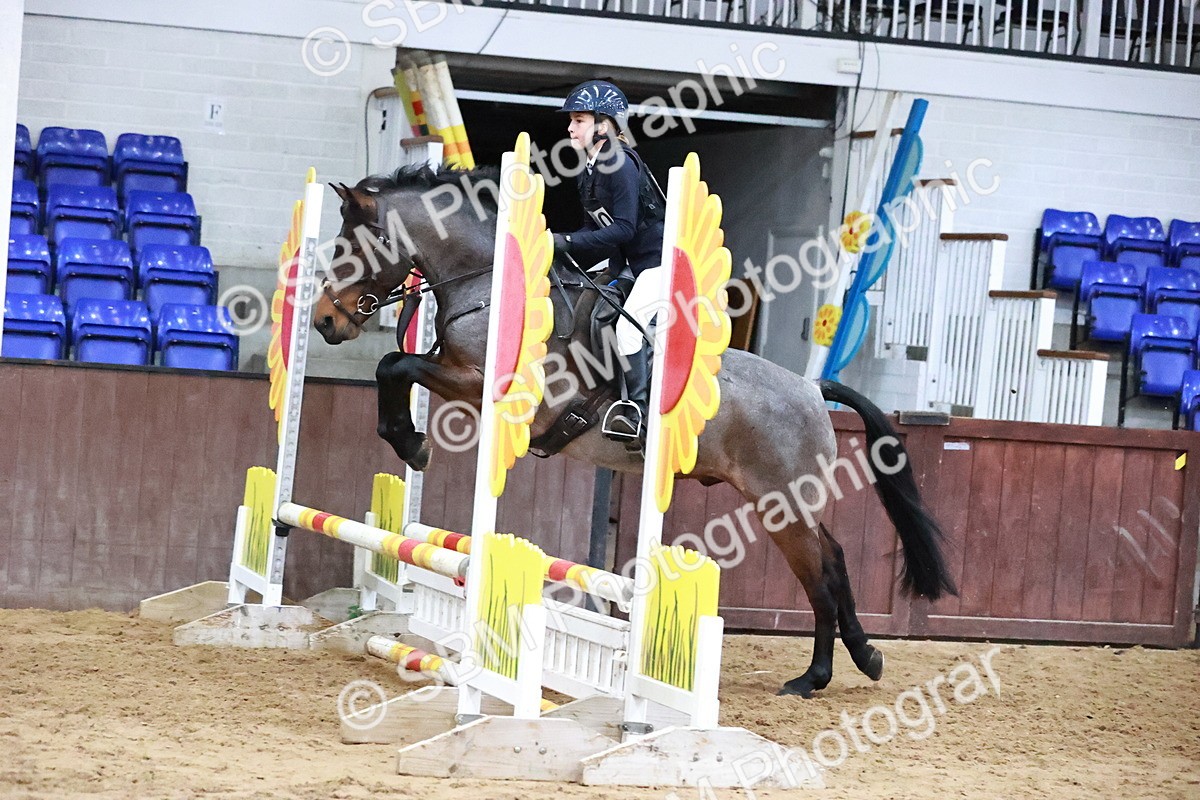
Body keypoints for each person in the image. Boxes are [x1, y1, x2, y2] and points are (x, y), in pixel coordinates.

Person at [551, 80, 665, 448]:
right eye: (572, 120)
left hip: (659, 262)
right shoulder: (591, 167)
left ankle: (638, 413)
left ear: (603, 124)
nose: (571, 128)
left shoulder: (619, 162)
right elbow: (593, 230)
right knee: (592, 309)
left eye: (579, 120)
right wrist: (557, 248)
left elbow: (625, 228)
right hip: (630, 262)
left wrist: (565, 241)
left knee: (628, 329)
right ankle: (609, 389)